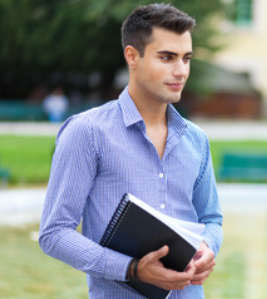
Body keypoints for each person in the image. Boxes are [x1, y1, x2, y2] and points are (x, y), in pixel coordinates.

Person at [39, 4, 223, 299]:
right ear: (132, 56)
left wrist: (207, 248)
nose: (181, 71)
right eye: (167, 58)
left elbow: (211, 219)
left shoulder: (196, 140)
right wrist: (132, 269)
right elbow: (54, 234)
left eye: (186, 59)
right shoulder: (87, 133)